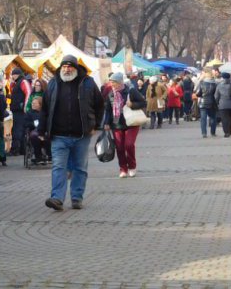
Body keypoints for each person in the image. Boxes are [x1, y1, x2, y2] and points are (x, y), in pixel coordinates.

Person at [39, 55, 103, 211]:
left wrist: (96, 125)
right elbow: (45, 108)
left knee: (79, 168)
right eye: (64, 67)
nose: (67, 69)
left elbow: (100, 104)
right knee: (58, 167)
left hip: (81, 135)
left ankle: (76, 197)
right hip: (59, 135)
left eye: (70, 66)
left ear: (76, 68)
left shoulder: (87, 83)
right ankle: (57, 198)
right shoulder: (53, 83)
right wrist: (41, 129)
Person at [102, 72, 147, 178]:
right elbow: (108, 110)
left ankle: (132, 166)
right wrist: (106, 123)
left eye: (114, 82)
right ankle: (123, 169)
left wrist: (132, 105)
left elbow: (143, 103)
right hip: (117, 124)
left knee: (129, 145)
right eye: (111, 82)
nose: (112, 84)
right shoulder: (111, 94)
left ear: (120, 82)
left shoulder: (131, 91)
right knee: (120, 148)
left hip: (131, 123)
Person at [8, 68, 32, 155]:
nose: (12, 76)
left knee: (17, 130)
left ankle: (15, 149)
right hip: (17, 109)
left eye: (13, 75)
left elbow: (28, 92)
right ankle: (22, 150)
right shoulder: (17, 83)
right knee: (19, 129)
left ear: (16, 74)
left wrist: (26, 106)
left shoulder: (23, 82)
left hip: (20, 110)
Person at [24, 96, 48, 165]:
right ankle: (38, 156)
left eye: (35, 103)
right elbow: (25, 124)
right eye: (32, 103)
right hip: (34, 131)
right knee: (34, 136)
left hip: (44, 130)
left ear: (40, 104)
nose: (33, 104)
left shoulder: (44, 113)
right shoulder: (29, 113)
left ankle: (49, 154)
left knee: (48, 136)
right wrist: (33, 124)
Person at [195, 70, 218, 138]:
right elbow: (216, 94)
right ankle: (213, 132)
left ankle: (204, 133)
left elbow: (198, 93)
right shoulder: (214, 83)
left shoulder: (202, 83)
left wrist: (198, 95)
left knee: (203, 119)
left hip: (203, 103)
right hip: (212, 102)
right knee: (213, 118)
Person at [214, 72, 231, 138]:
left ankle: (226, 132)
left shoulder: (219, 86)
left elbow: (216, 96)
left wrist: (216, 103)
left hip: (223, 104)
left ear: (223, 78)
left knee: (224, 119)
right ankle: (230, 130)